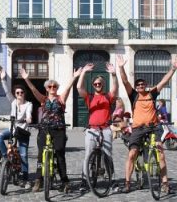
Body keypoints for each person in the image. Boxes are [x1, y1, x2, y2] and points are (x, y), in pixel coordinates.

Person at [117, 54, 177, 194]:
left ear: (145, 85)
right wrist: (121, 67)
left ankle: (165, 183)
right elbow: (125, 81)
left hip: (154, 127)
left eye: (142, 84)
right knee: (132, 154)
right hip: (137, 129)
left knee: (160, 152)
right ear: (136, 87)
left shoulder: (152, 94)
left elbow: (163, 81)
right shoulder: (133, 95)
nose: (140, 86)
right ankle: (127, 183)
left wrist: (173, 69)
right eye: (138, 85)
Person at [22, 67, 82, 193]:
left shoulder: (61, 99)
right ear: (46, 89)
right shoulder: (43, 99)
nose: (52, 88)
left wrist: (75, 76)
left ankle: (65, 181)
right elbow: (33, 90)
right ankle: (39, 180)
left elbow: (68, 88)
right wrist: (26, 79)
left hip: (59, 130)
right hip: (44, 129)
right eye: (50, 86)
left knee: (60, 154)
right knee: (40, 155)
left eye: (54, 86)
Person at [76, 63, 118, 191]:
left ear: (103, 85)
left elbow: (115, 89)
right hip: (92, 129)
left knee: (108, 155)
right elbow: (79, 87)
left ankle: (112, 181)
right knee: (88, 155)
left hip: (105, 129)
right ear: (93, 85)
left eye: (99, 84)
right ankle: (84, 180)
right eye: (95, 84)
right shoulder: (90, 97)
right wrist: (83, 72)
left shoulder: (107, 97)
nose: (97, 85)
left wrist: (114, 74)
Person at [0, 69, 32, 189]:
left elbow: (29, 115)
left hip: (22, 132)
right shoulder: (13, 102)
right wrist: (2, 79)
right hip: (12, 131)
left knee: (23, 155)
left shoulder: (28, 104)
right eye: (17, 93)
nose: (20, 95)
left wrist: (28, 119)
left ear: (24, 94)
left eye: (22, 93)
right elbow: (7, 92)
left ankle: (25, 179)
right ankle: (5, 158)